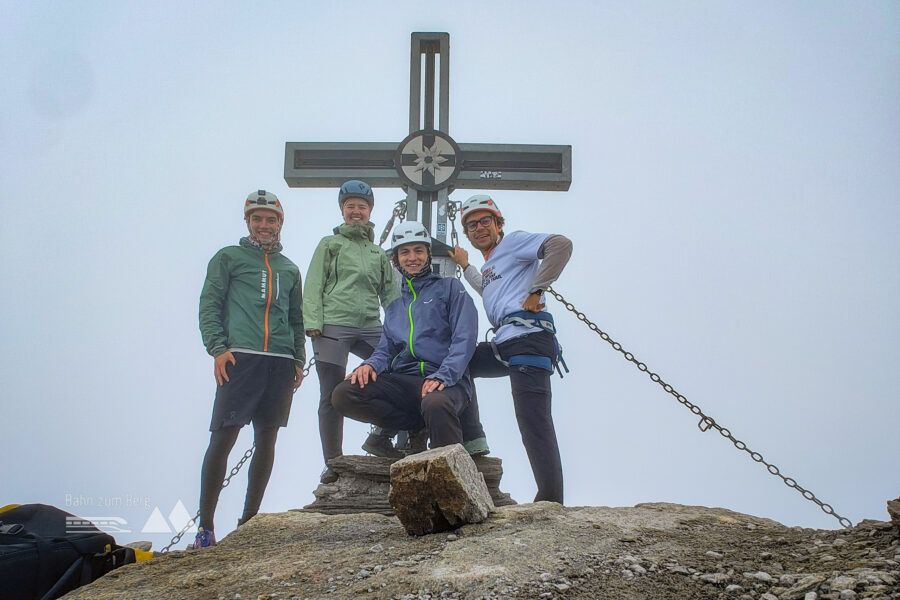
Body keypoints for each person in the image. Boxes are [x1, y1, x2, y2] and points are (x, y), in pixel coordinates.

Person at [195, 190, 306, 548]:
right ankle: (206, 528)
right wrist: (218, 348)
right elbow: (209, 303)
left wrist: (298, 359)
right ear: (247, 222)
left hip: (280, 361)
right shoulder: (229, 257)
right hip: (239, 357)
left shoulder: (289, 269)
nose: (263, 225)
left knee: (267, 439)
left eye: (270, 219)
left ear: (280, 223)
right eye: (257, 219)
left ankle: (249, 523)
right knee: (224, 438)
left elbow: (296, 318)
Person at [448, 194, 572, 504]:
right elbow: (488, 287)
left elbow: (561, 245)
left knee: (533, 422)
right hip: (505, 342)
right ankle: (473, 437)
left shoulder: (514, 243)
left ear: (498, 223)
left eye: (485, 221)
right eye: (472, 225)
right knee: (458, 364)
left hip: (529, 338)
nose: (479, 228)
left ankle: (550, 501)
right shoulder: (491, 264)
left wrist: (537, 289)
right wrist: (466, 267)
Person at [331, 222, 479, 451]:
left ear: (428, 254)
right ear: (396, 259)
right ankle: (417, 425)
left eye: (419, 250)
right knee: (344, 393)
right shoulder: (395, 306)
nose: (412, 258)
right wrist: (370, 365)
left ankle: (451, 471)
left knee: (435, 403)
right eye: (405, 252)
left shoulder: (450, 288)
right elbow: (386, 349)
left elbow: (465, 338)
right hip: (406, 382)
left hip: (447, 382)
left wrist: (443, 376)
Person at [303, 180, 401, 482]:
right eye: (351, 206)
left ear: (369, 210)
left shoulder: (377, 253)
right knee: (330, 393)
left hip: (370, 326)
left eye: (361, 206)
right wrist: (313, 322)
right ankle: (334, 462)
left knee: (399, 369)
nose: (356, 211)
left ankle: (383, 435)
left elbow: (390, 296)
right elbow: (314, 284)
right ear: (343, 211)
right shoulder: (329, 244)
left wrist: (401, 332)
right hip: (333, 326)